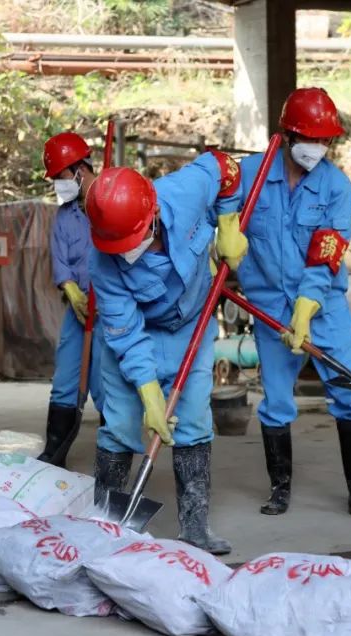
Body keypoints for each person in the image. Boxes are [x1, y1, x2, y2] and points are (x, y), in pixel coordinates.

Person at [86, 153, 246, 555]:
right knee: (121, 423)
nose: (123, 252)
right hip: (136, 334)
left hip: (192, 325)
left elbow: (224, 167)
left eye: (130, 241)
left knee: (193, 420)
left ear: (152, 214)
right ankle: (105, 524)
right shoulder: (103, 261)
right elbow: (126, 334)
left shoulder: (185, 191)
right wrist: (150, 394)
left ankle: (195, 528)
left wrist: (228, 224)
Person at [235, 87, 351, 517]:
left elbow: (325, 255)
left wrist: (305, 309)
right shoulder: (249, 175)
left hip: (325, 307)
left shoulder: (336, 188)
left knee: (348, 394)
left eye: (325, 141)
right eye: (309, 139)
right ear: (287, 134)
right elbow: (216, 213)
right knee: (277, 401)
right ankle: (279, 488)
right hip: (268, 307)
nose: (317, 148)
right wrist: (219, 238)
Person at [37, 132, 105, 467]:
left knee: (107, 384)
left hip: (110, 309)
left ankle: (113, 458)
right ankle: (55, 453)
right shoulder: (64, 217)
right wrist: (71, 290)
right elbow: (60, 260)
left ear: (79, 168)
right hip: (77, 309)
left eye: (60, 176)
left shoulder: (111, 201)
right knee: (65, 380)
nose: (58, 184)